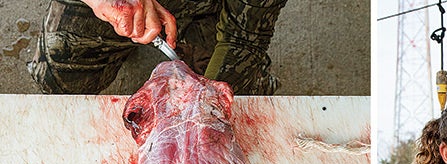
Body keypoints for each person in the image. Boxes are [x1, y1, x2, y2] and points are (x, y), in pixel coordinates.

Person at [29, 0, 287, 94]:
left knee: (239, 96)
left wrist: (206, 105)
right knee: (60, 73)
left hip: (216, 8)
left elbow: (244, 35)